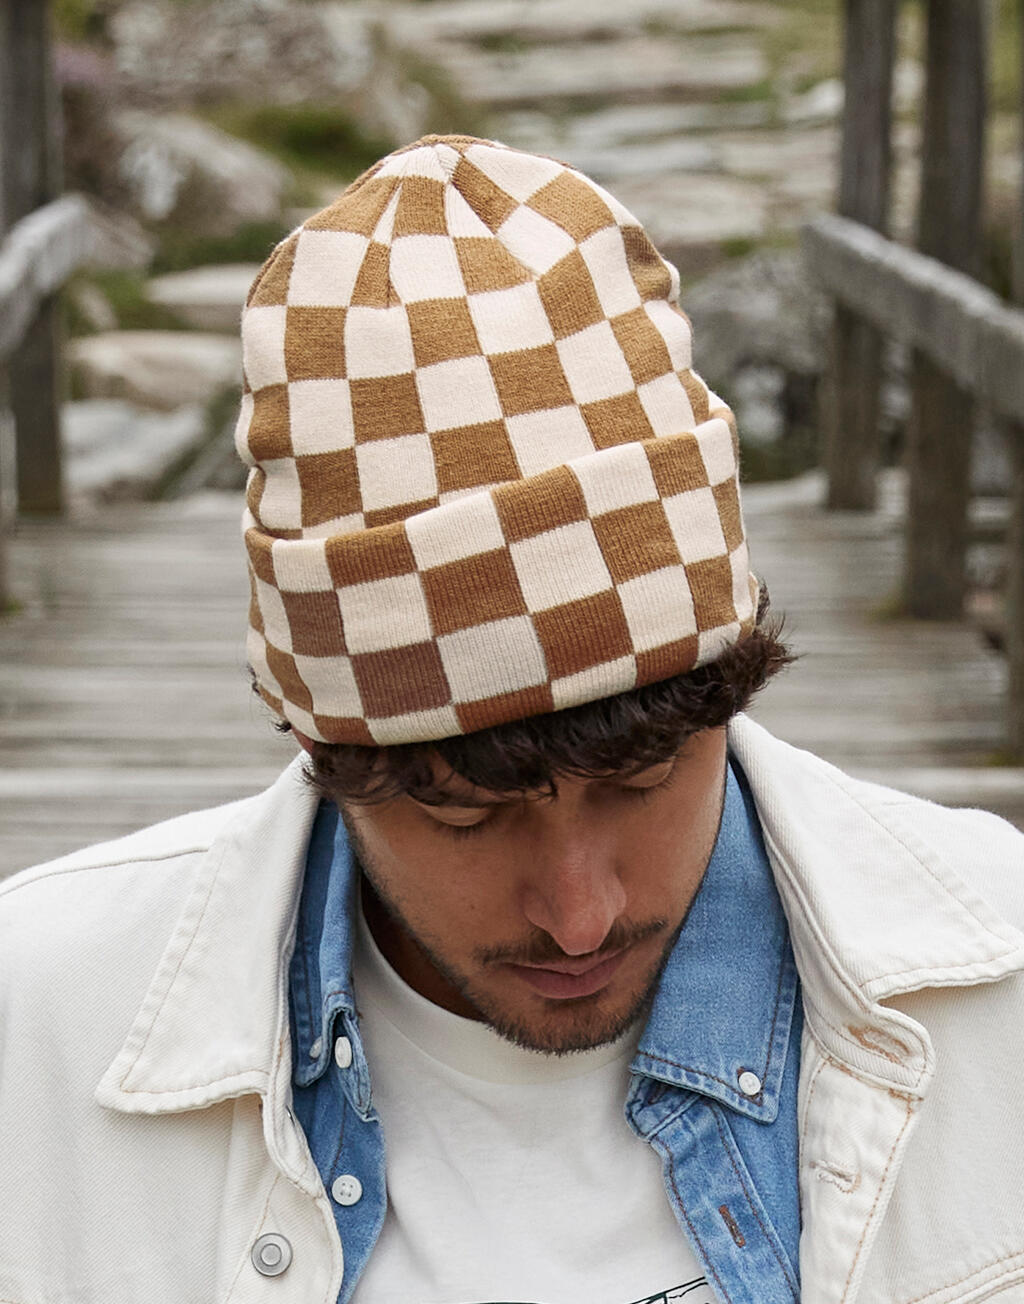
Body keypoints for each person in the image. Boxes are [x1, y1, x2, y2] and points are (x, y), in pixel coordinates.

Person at [1, 135, 1023, 1304]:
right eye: (463, 812)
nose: (579, 913)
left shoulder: (1002, 982)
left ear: (732, 679)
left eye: (643, 776)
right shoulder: (35, 1033)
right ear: (318, 741)